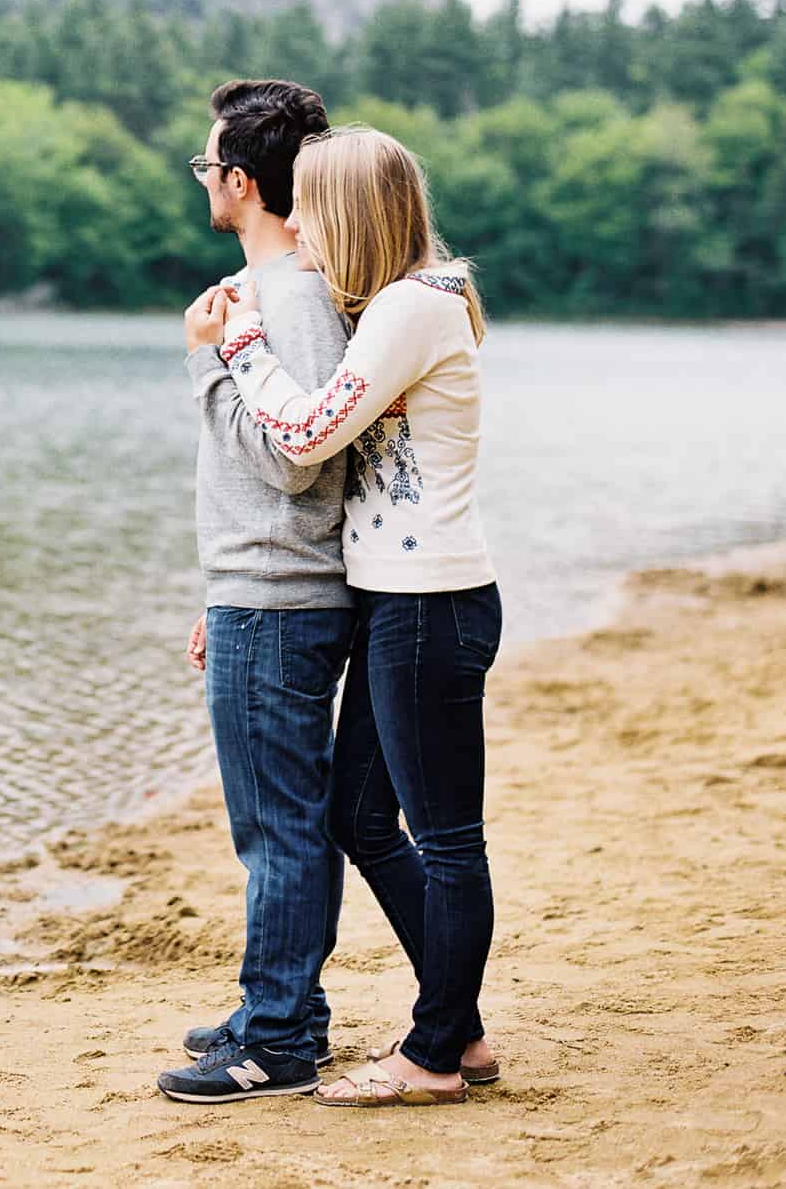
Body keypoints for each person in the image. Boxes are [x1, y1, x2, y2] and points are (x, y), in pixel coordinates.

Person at [188, 124, 502, 1108]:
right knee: (360, 817)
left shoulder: (412, 306)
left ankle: (435, 1051)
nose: (297, 222)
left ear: (350, 212)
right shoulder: (386, 307)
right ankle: (460, 1026)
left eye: (312, 205)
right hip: (391, 601)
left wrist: (230, 346)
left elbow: (304, 436)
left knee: (444, 836)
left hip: (429, 605)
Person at [154, 80, 354, 1105]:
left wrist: (202, 367)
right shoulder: (273, 295)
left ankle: (276, 1040)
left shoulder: (289, 302)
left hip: (277, 603)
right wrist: (219, 593)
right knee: (283, 824)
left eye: (206, 166)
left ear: (239, 182)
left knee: (275, 830)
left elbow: (291, 463)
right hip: (260, 592)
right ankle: (282, 1011)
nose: (204, 181)